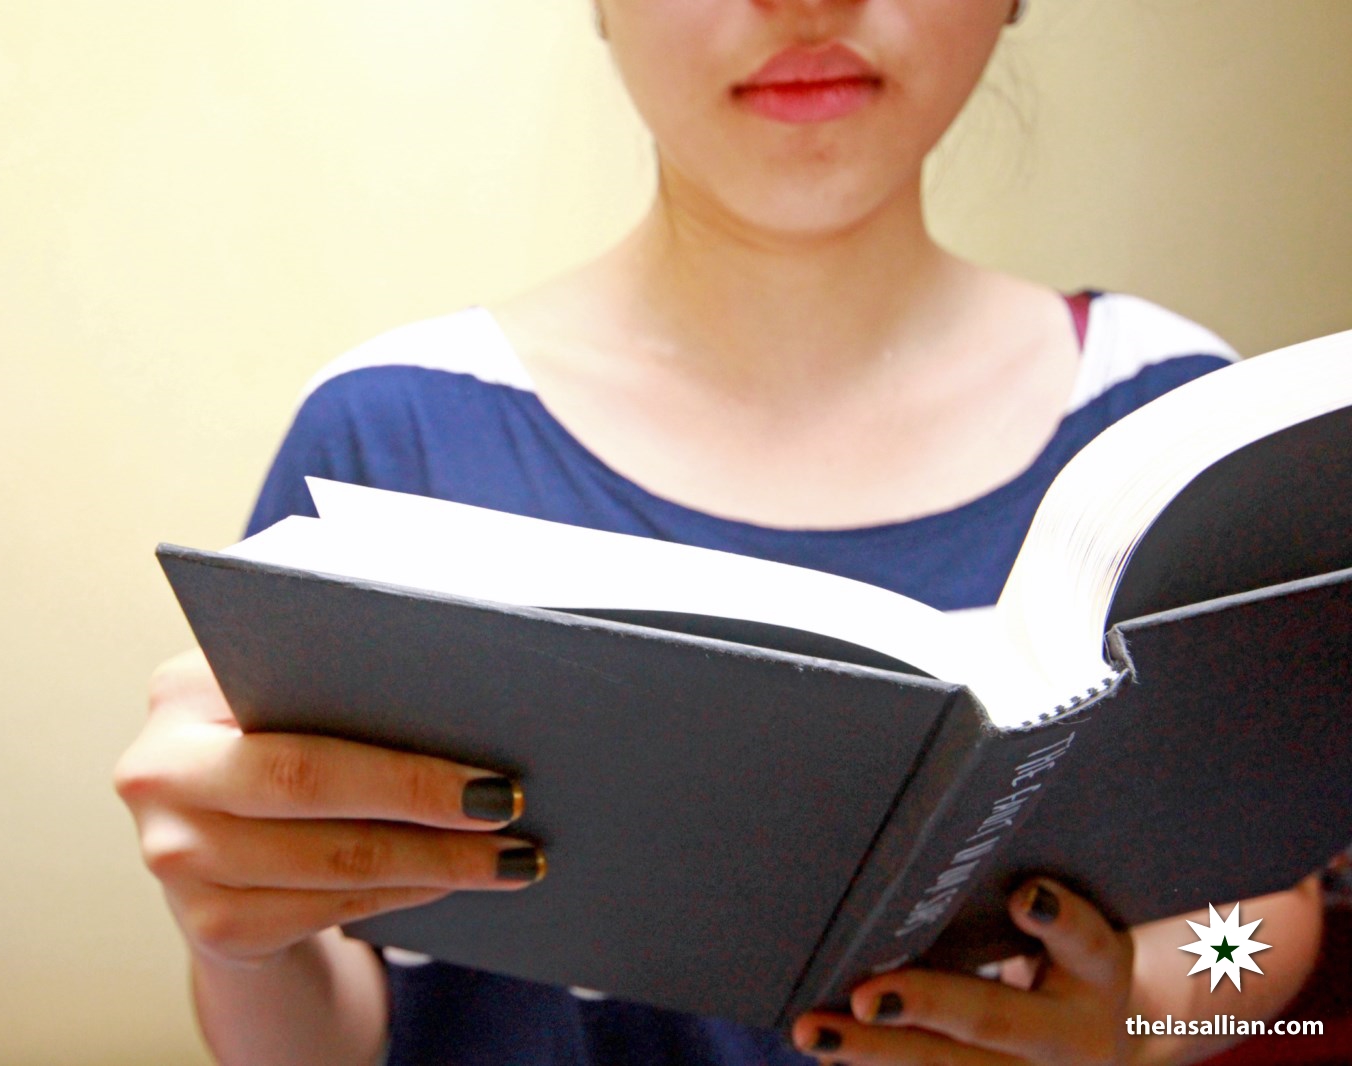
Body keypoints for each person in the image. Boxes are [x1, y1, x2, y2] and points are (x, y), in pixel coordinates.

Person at [114, 1, 1326, 1063]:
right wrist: (237, 938)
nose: (804, 0)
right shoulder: (388, 443)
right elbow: (331, 1035)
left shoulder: (1175, 432)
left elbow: (1262, 911)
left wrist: (1140, 1018)